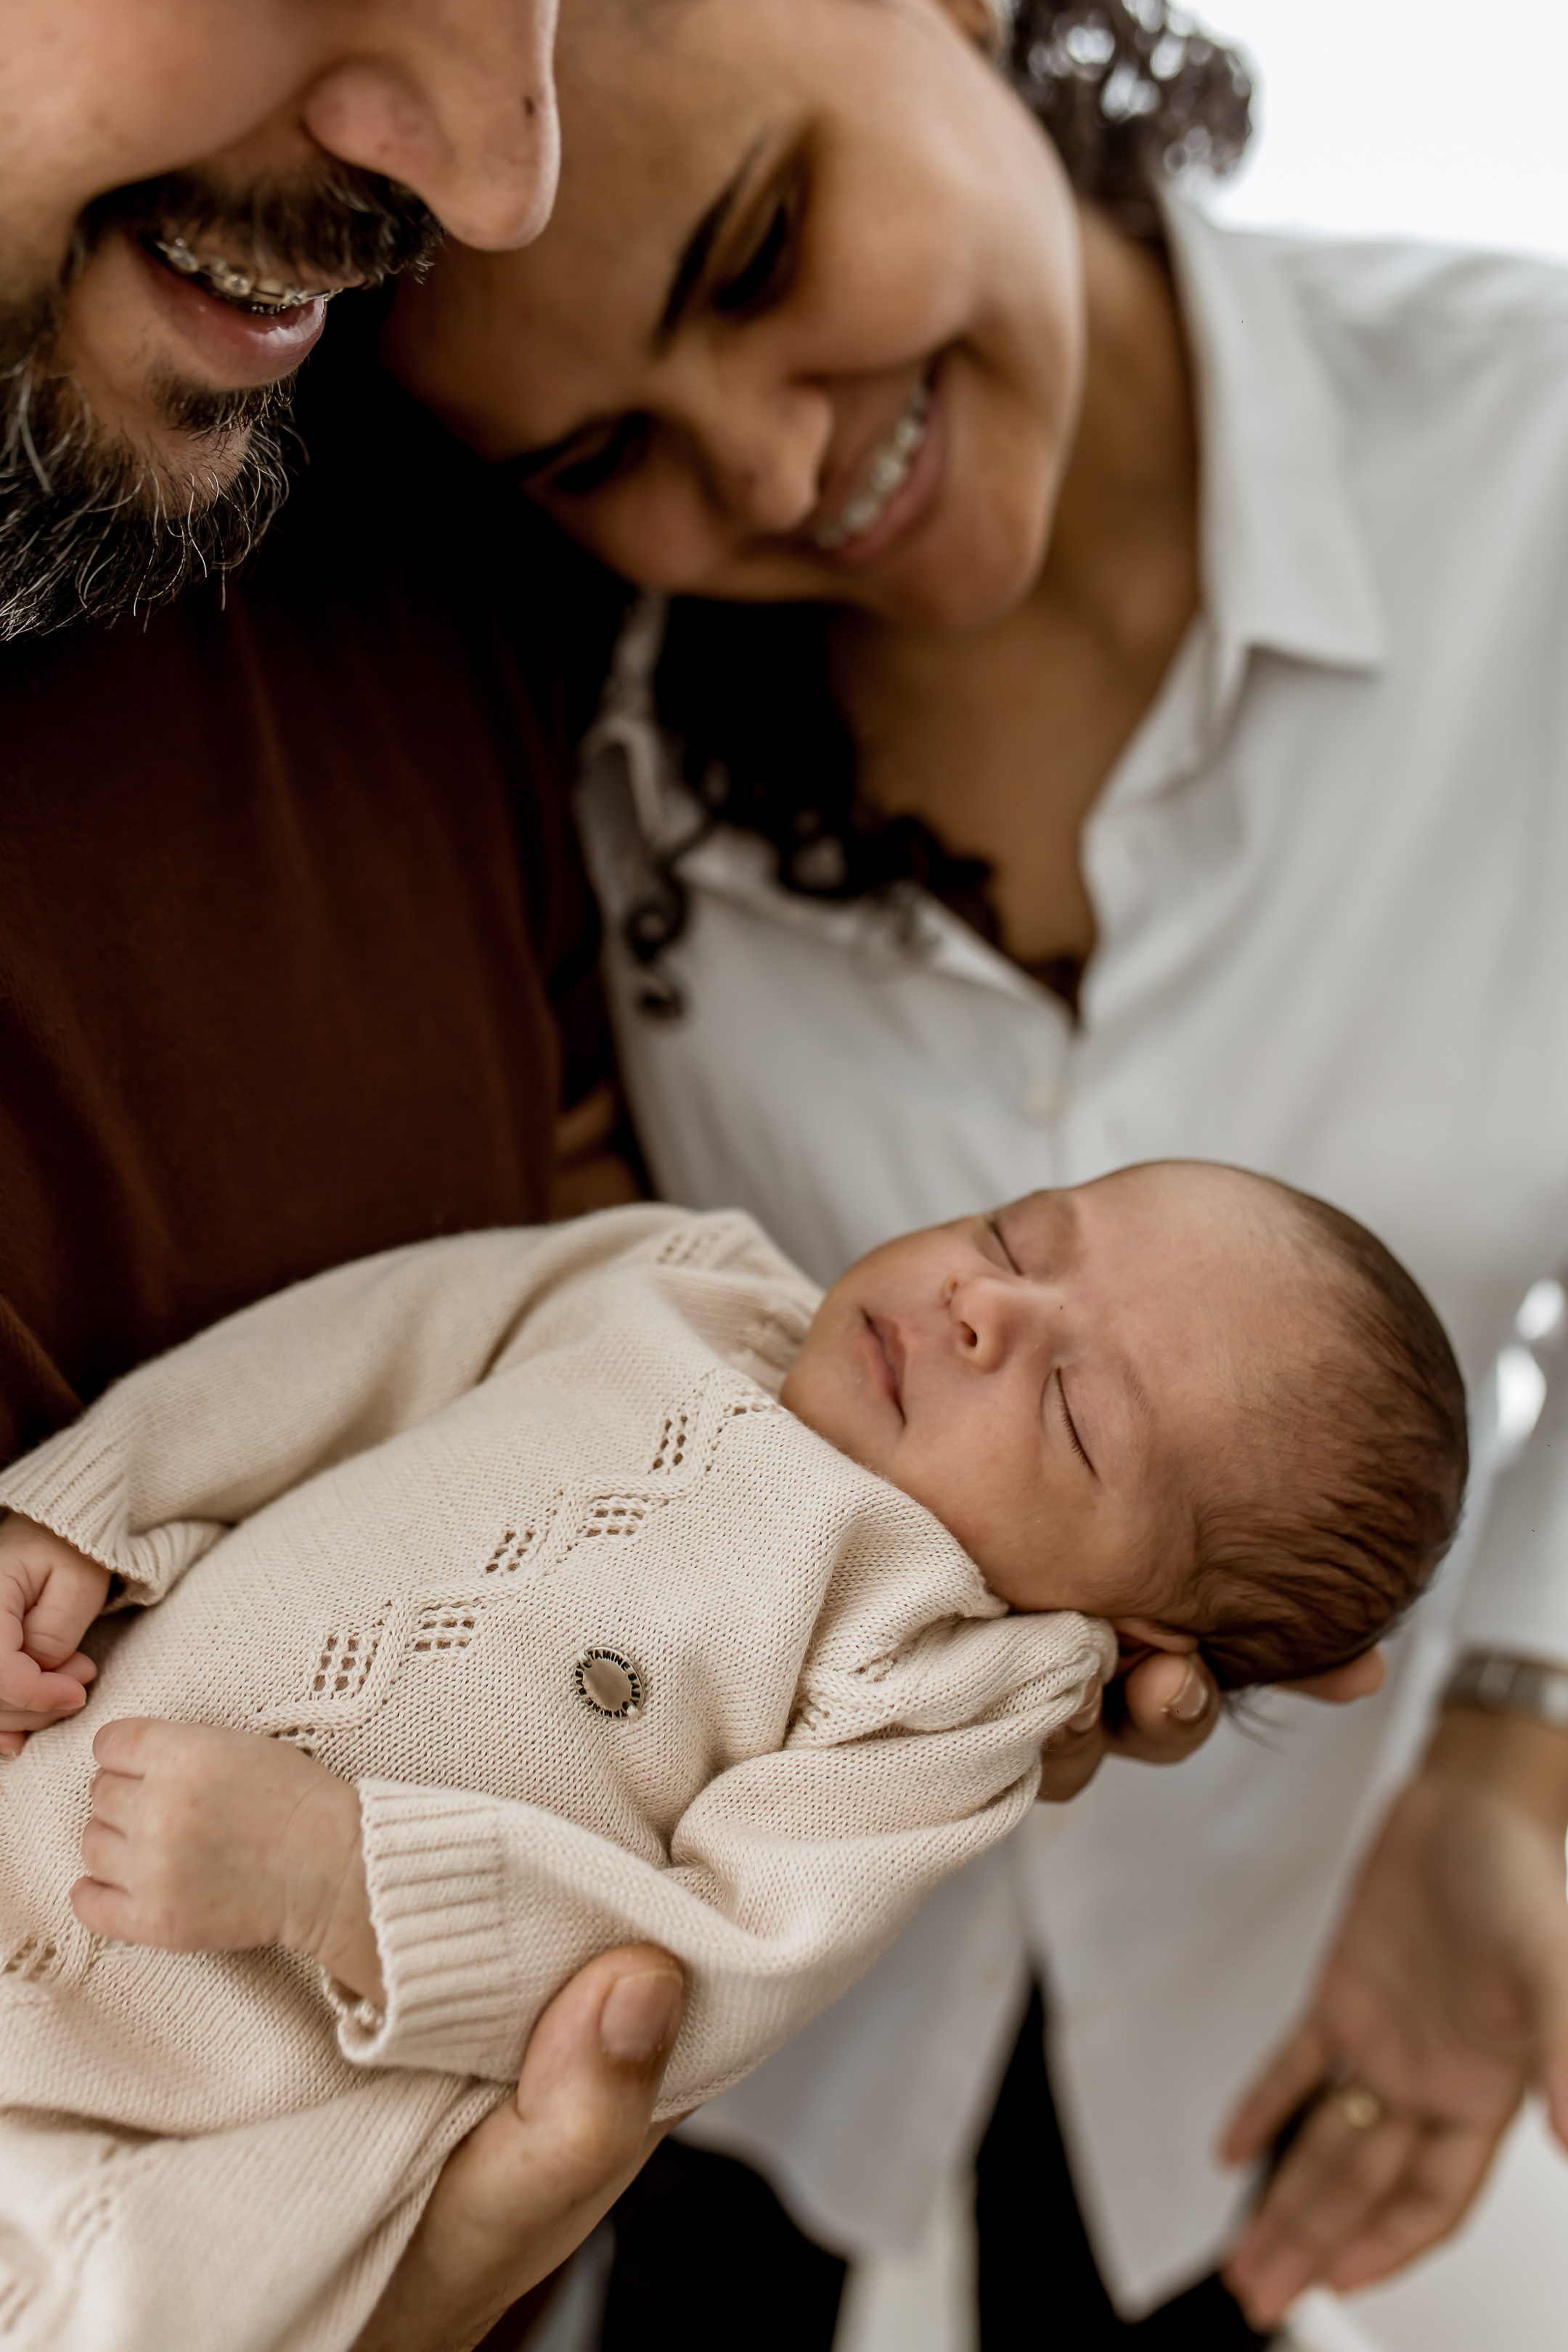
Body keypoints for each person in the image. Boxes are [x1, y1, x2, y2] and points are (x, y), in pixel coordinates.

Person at [380, 0, 1568, 2340]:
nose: (760, 468)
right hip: (716, 2023)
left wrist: (1521, 1743)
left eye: (759, 248)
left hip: (1279, 1998)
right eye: (602, 444)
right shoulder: (558, 719)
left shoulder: (1536, 473)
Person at [0, 1167, 1465, 2348]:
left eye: (1073, 1409)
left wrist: (341, 1883)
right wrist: (100, 1504)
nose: (984, 1307)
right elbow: (362, 1345)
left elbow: (713, 1967)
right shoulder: (684, 1278)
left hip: (226, 2099)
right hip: (52, 1749)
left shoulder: (941, 1693)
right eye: (1022, 1233)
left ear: (1126, 1627)